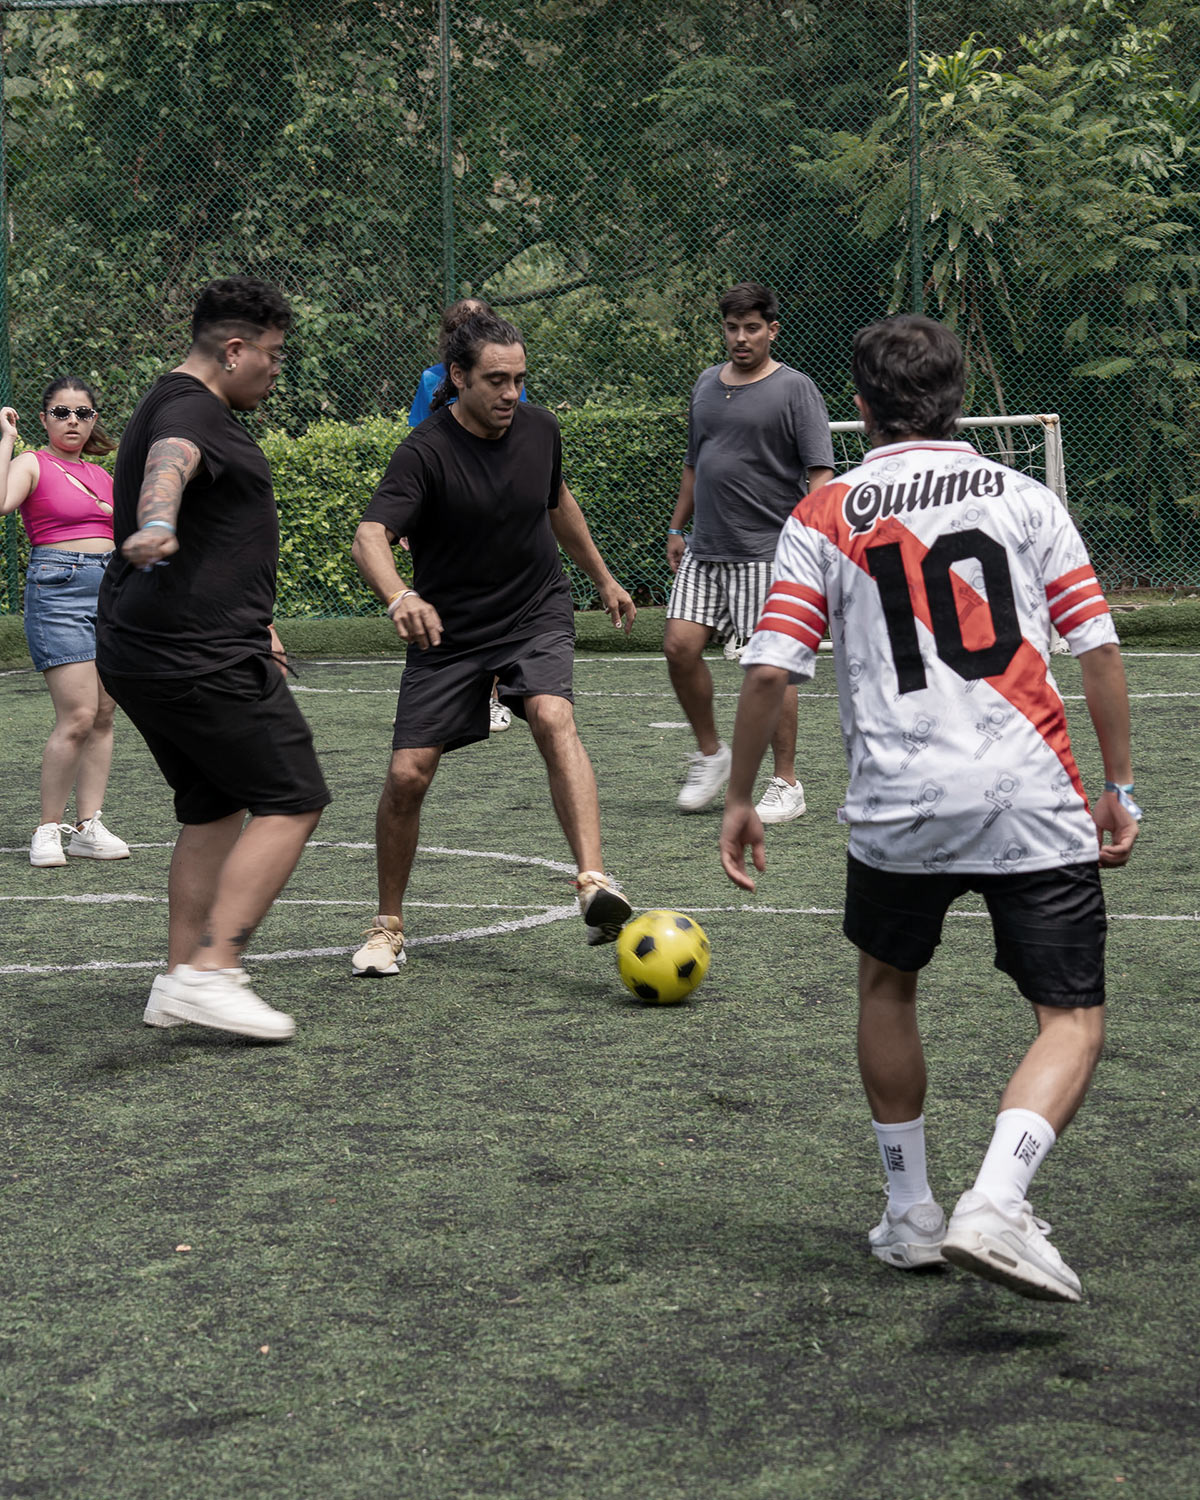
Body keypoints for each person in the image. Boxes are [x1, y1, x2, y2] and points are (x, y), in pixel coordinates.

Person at [720, 314, 1139, 1304]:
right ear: (957, 399)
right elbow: (1097, 647)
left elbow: (772, 670)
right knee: (1070, 1018)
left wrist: (740, 795)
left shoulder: (824, 513)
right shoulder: (1027, 498)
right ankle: (996, 1198)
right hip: (1030, 794)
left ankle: (911, 1214)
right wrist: (1118, 786)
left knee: (886, 986)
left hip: (897, 806)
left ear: (861, 406)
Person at [350, 308, 636, 976]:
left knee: (552, 715)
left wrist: (603, 577)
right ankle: (387, 926)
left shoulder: (540, 429)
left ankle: (594, 881)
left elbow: (557, 502)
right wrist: (400, 596)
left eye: (519, 379)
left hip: (534, 609)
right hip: (450, 629)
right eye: (496, 380)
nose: (511, 393)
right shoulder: (425, 451)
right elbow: (369, 537)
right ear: (458, 376)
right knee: (407, 773)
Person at [96, 274, 331, 1041]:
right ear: (233, 350)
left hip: (145, 647)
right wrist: (158, 521)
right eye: (273, 354)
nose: (276, 368)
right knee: (293, 795)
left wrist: (257, 619)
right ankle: (211, 970)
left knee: (213, 805)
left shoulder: (167, 398)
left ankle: (176, 980)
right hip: (195, 654)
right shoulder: (190, 411)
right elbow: (172, 462)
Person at [665, 282, 835, 823]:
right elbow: (695, 463)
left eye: (752, 328)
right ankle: (711, 753)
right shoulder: (705, 384)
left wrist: (809, 539)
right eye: (732, 327)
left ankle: (787, 784)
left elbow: (820, 472)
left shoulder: (795, 388)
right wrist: (677, 527)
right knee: (678, 647)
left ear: (772, 330)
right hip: (706, 547)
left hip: (769, 551)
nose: (741, 338)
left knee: (770, 667)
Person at [0, 380, 130, 867]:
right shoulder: (32, 462)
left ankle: (87, 826)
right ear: (44, 419)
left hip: (111, 589)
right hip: (59, 590)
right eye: (61, 412)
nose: (72, 420)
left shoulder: (103, 474)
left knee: (104, 714)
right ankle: (47, 828)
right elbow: (1, 502)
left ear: (93, 419)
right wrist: (7, 439)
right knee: (77, 715)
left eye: (82, 412)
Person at [408, 296, 530, 732]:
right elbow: (418, 442)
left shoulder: (506, 383)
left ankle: (493, 696)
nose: (507, 390)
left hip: (496, 508)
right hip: (449, 510)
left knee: (501, 599)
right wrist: (410, 517)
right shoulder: (432, 380)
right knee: (448, 597)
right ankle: (451, 693)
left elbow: (518, 436)